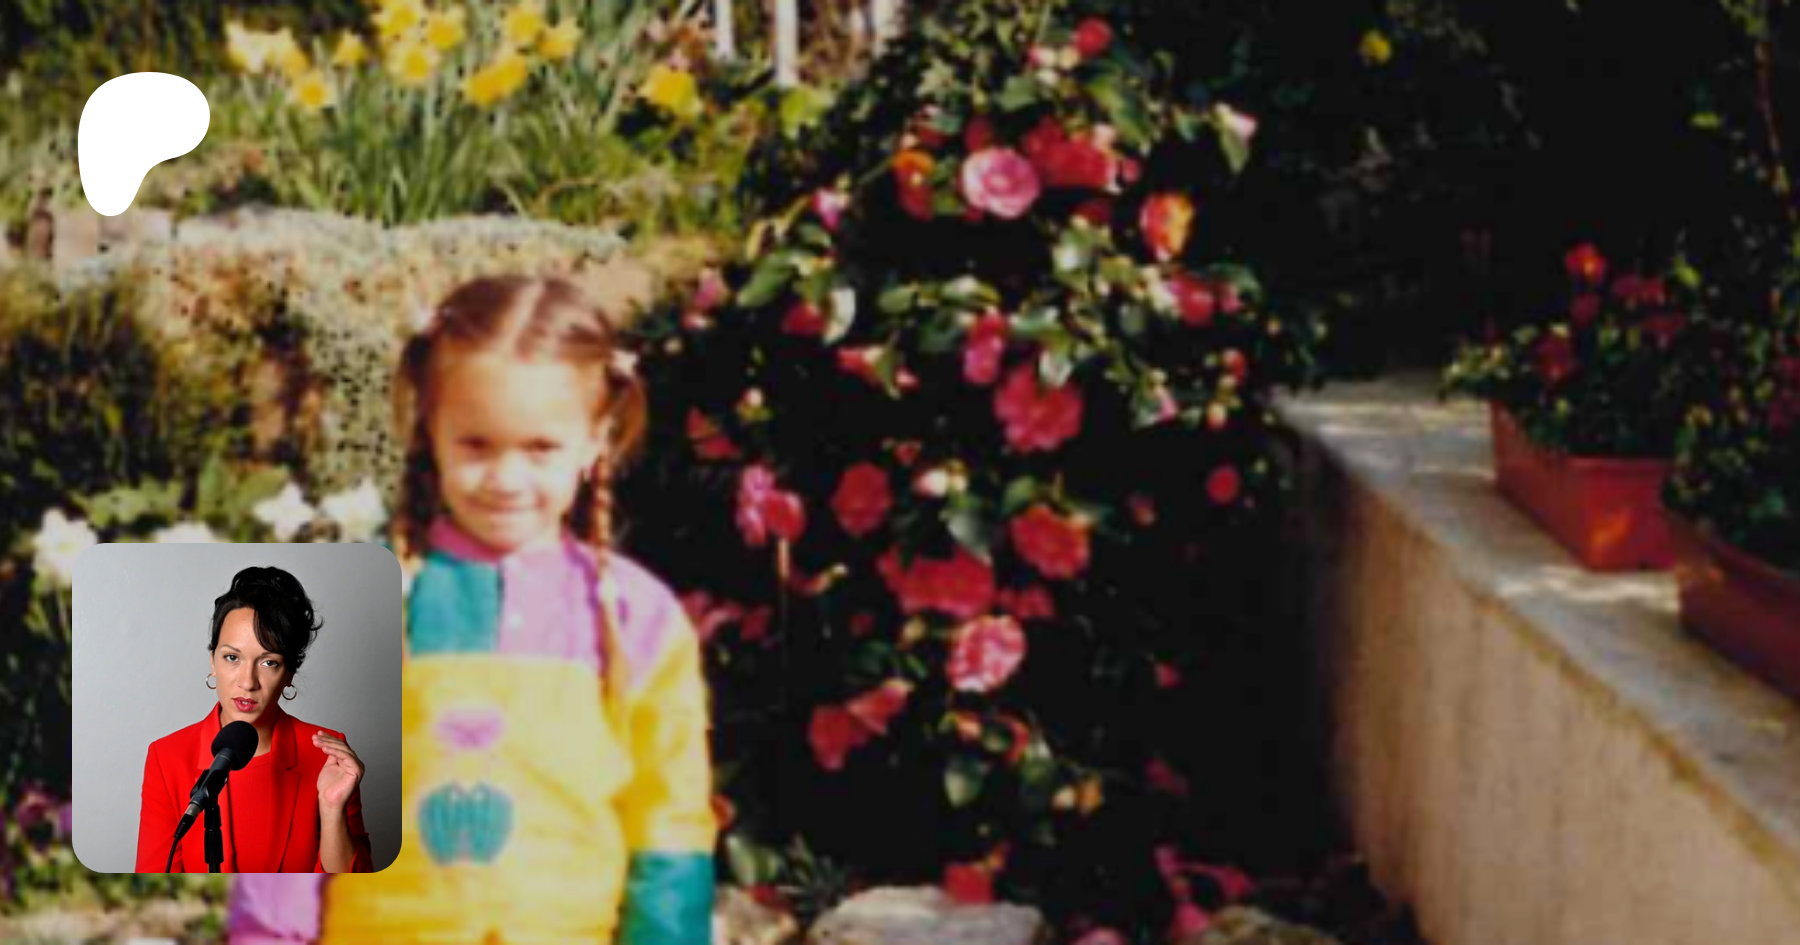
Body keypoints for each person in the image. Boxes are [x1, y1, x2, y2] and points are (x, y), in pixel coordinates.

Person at [227, 276, 717, 943]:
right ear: (430, 428)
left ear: (596, 438)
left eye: (540, 448)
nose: (506, 479)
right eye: (477, 444)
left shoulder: (639, 618)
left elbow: (670, 819)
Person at [136, 566, 374, 873]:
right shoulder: (167, 757)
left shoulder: (327, 754)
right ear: (212, 661)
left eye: (269, 662)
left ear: (289, 674)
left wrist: (332, 811)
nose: (247, 682)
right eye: (232, 657)